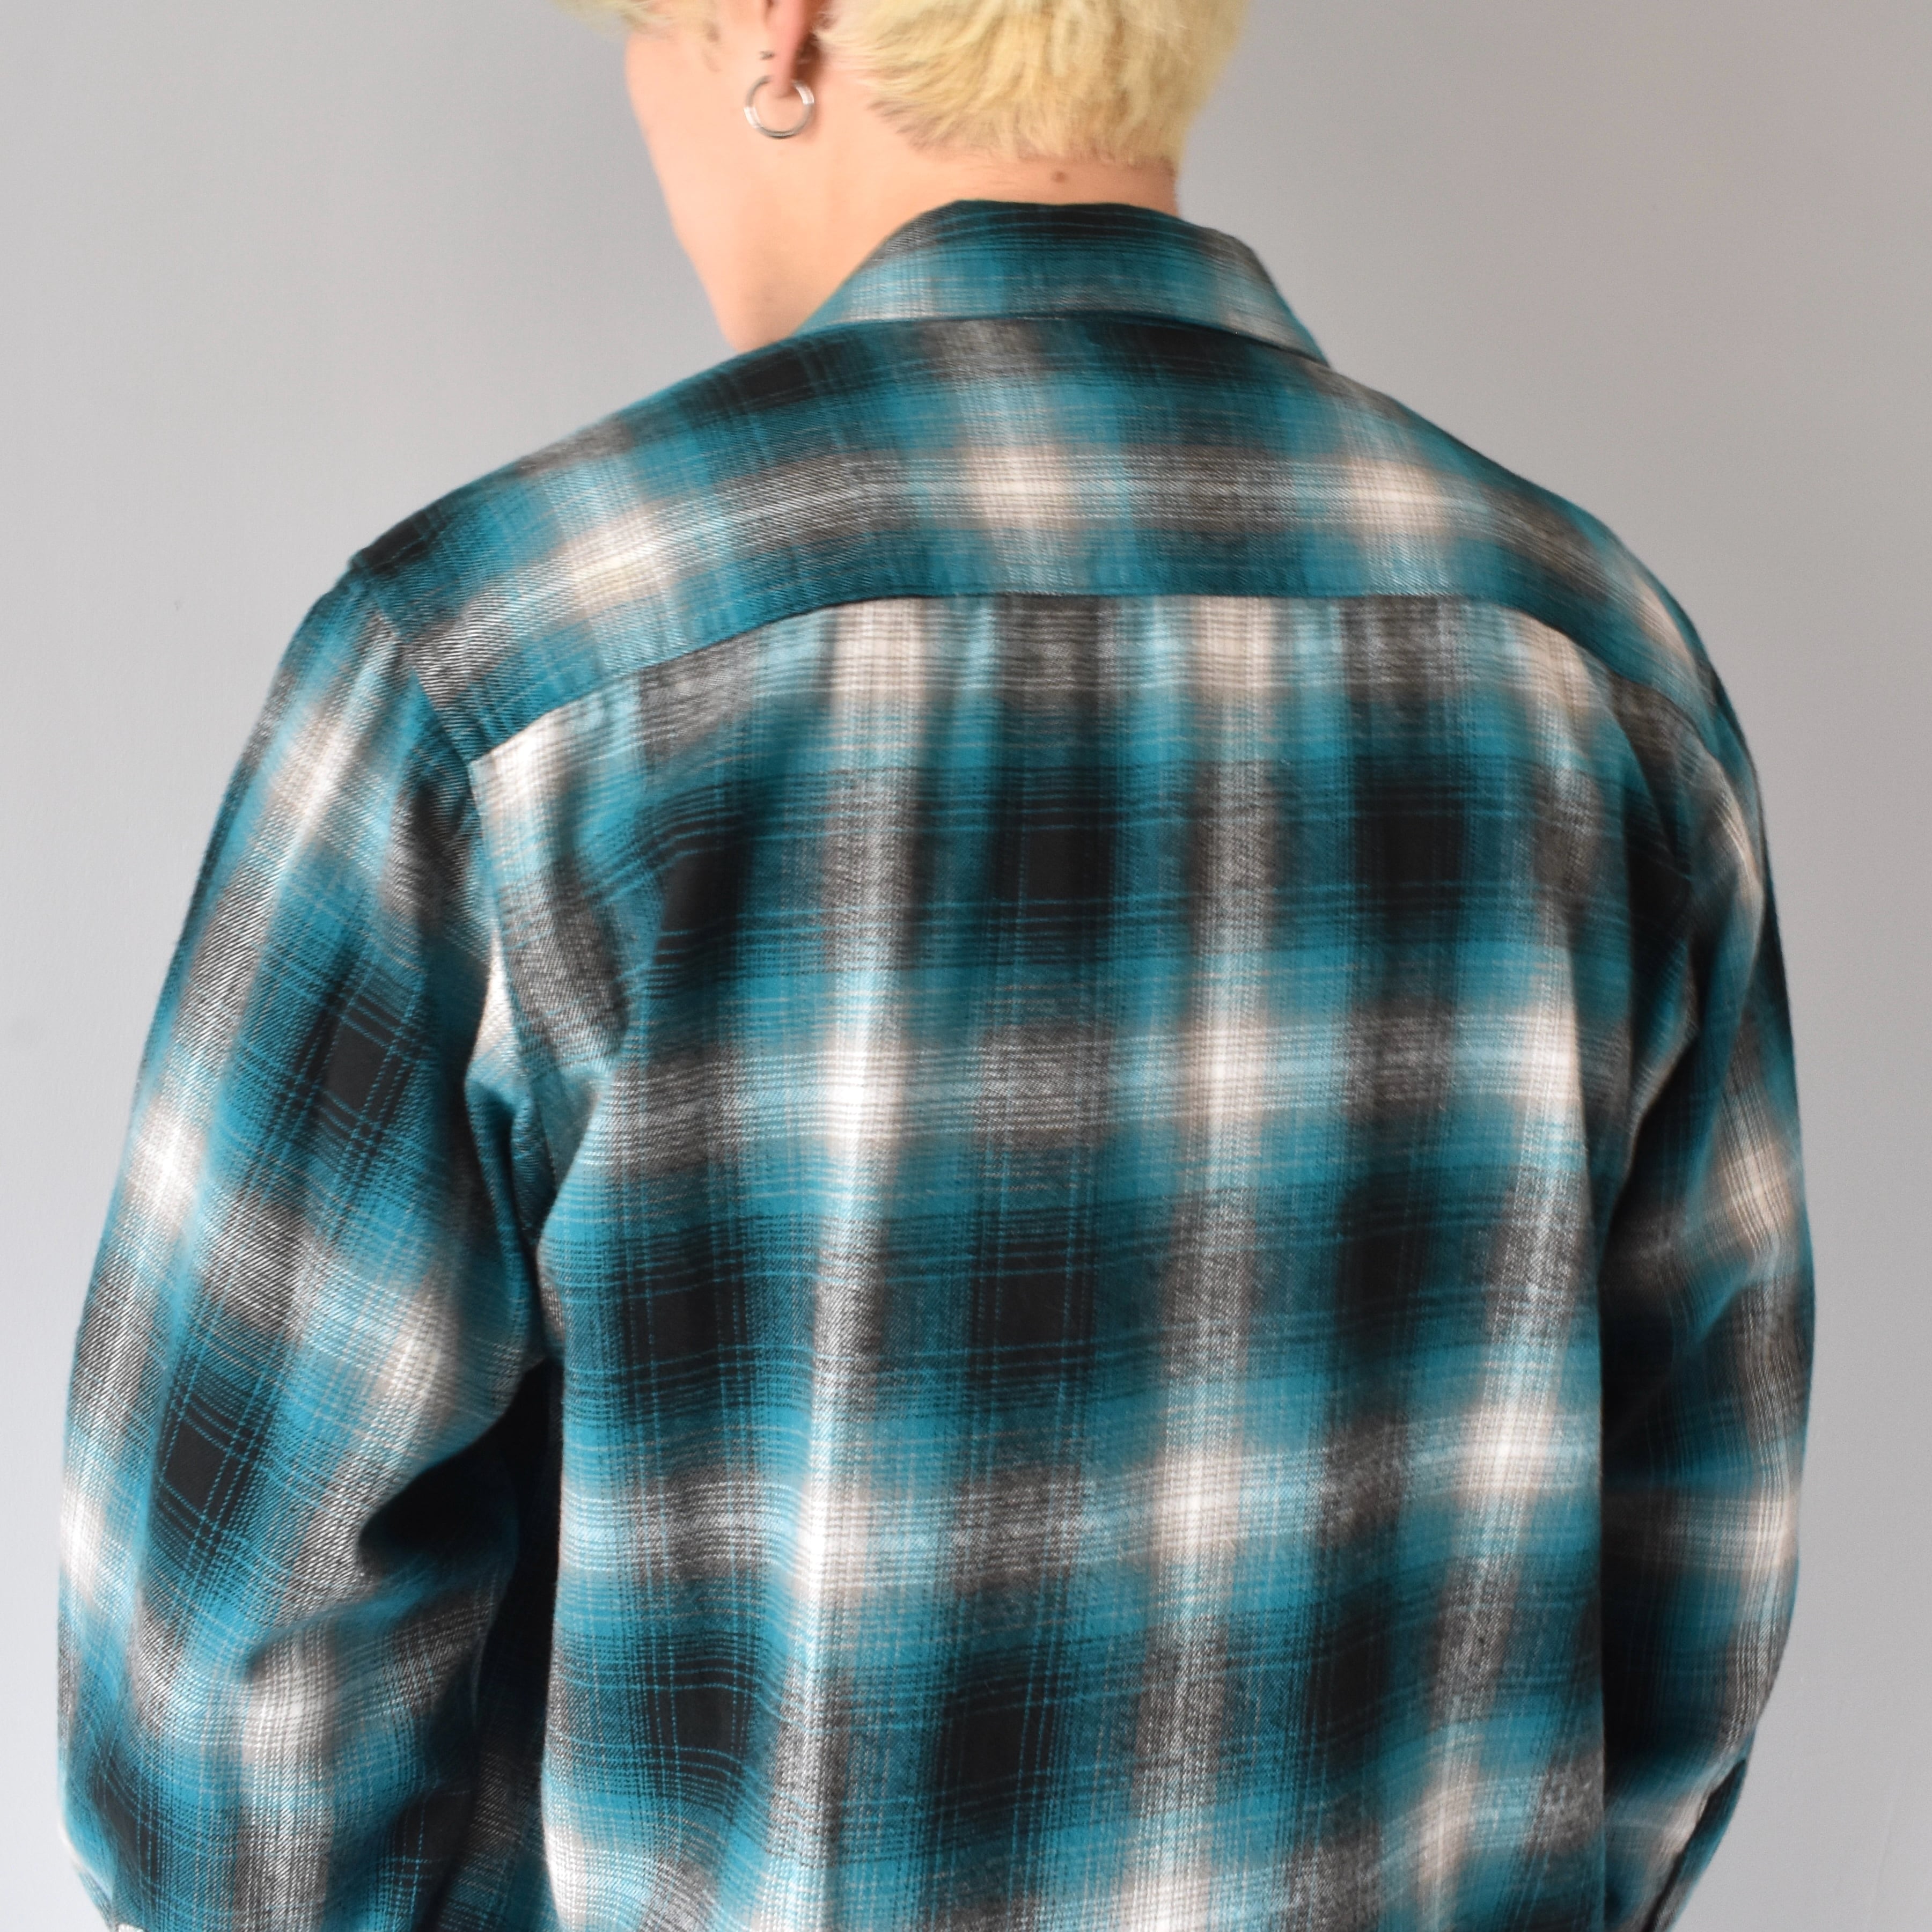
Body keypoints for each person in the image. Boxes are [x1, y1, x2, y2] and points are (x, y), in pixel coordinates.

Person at [56, 0, 1813, 1927]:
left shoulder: (497, 667)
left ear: (775, 28)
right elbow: (1685, 1590)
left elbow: (226, 1687)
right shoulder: (1602, 673)